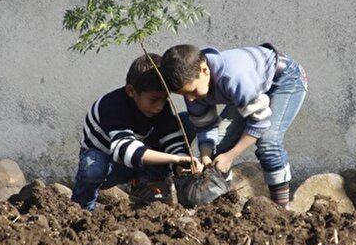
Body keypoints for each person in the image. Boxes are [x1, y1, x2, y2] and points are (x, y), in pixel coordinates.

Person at [160, 44, 307, 209]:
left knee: (268, 143)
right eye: (184, 94)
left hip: (284, 80)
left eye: (192, 91)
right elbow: (205, 125)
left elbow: (260, 123)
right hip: (248, 92)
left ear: (204, 70)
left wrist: (230, 156)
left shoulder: (233, 78)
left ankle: (282, 209)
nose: (191, 99)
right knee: (219, 149)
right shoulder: (193, 88)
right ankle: (223, 206)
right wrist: (206, 155)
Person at [72, 54, 203, 211]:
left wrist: (182, 164)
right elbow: (126, 150)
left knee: (186, 121)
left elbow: (172, 140)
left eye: (164, 99)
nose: (160, 106)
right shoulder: (113, 106)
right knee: (93, 168)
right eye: (154, 100)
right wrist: (176, 159)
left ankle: (147, 184)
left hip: (136, 157)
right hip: (107, 162)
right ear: (131, 91)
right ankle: (83, 208)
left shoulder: (160, 108)